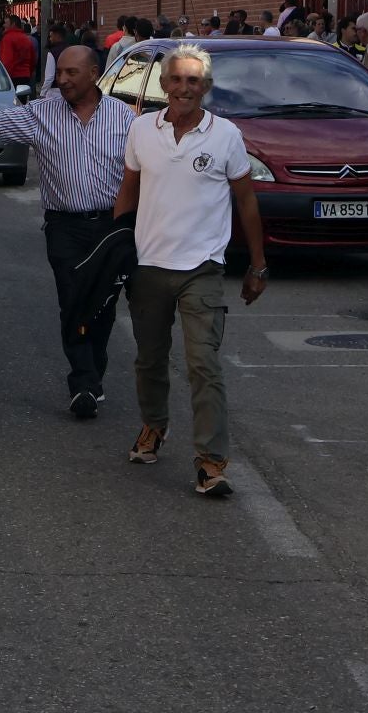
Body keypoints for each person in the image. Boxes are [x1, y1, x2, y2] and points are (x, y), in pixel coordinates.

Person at [0, 46, 132, 418]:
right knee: (73, 300)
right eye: (59, 72)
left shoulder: (125, 118)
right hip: (65, 227)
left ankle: (93, 372)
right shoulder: (42, 113)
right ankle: (84, 383)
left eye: (72, 73)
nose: (62, 80)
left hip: (110, 226)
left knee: (103, 306)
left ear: (94, 73)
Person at [113, 44, 267, 497]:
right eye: (176, 80)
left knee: (204, 364)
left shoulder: (226, 136)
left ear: (206, 88)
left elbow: (247, 201)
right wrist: (116, 250)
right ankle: (154, 426)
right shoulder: (141, 129)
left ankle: (211, 461)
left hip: (202, 268)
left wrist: (258, 265)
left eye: (193, 81)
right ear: (163, 85)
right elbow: (128, 191)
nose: (184, 88)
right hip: (148, 266)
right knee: (149, 358)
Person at [0, 17, 37, 93]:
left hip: (12, 77)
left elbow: (7, 61)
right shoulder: (26, 38)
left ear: (13, 24)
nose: (3, 25)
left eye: (6, 23)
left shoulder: (8, 38)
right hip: (25, 76)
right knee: (22, 102)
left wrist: (3, 78)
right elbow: (32, 59)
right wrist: (29, 72)